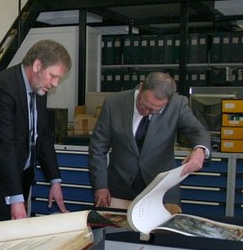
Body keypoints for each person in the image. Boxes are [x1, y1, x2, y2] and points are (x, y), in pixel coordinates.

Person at [0, 39, 69, 223]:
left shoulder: (39, 89)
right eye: (53, 76)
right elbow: (3, 145)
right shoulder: (2, 88)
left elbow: (42, 135)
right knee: (2, 244)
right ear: (37, 65)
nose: (55, 84)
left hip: (19, 179)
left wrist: (55, 180)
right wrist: (15, 197)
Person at [88, 71, 211, 207]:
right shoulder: (114, 102)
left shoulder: (177, 105)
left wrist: (200, 150)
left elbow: (198, 131)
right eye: (144, 105)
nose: (147, 112)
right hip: (119, 190)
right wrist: (100, 185)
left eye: (155, 110)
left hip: (162, 192)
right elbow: (98, 147)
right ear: (141, 88)